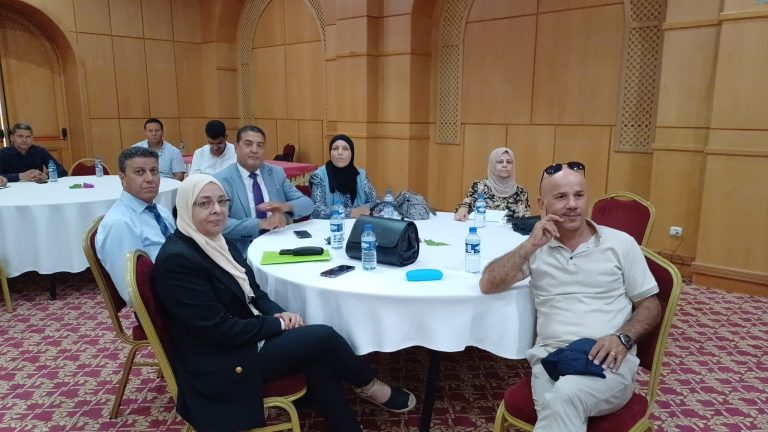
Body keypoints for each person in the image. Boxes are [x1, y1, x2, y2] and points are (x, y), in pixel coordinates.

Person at [151, 174, 416, 432]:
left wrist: (281, 315)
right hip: (220, 358)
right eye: (204, 203)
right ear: (185, 208)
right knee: (323, 337)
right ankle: (369, 386)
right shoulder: (178, 260)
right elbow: (217, 329)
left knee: (315, 353)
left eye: (222, 201)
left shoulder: (216, 242)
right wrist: (275, 325)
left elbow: (255, 293)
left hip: (242, 336)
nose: (217, 210)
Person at [479, 161, 661, 432]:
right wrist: (529, 245)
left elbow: (650, 305)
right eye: (561, 197)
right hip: (550, 360)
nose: (573, 204)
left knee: (565, 395)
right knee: (561, 406)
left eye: (579, 195)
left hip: (607, 359)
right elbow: (488, 284)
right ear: (542, 204)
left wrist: (623, 338)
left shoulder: (620, 244)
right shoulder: (537, 248)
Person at [214, 125, 313, 256]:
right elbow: (219, 223)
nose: (254, 150)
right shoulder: (221, 180)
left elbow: (308, 204)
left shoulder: (276, 173)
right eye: (248, 144)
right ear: (236, 148)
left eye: (260, 145)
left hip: (281, 245)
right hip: (244, 252)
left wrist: (286, 207)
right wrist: (261, 224)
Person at [96, 147, 175, 306]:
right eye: (139, 172)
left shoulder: (161, 211)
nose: (150, 179)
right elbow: (133, 294)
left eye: (154, 171)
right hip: (169, 302)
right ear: (123, 178)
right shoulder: (120, 224)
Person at [309, 134, 380, 219]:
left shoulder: (360, 175)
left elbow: (377, 203)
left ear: (352, 153)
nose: (340, 152)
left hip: (355, 224)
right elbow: (317, 211)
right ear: (330, 153)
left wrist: (362, 211)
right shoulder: (319, 176)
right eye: (335, 148)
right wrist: (351, 212)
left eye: (345, 149)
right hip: (327, 225)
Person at [454, 147, 530, 221]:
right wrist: (463, 209)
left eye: (509, 162)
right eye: (500, 162)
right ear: (492, 164)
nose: (505, 165)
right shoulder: (479, 187)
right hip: (483, 228)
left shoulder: (520, 192)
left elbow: (526, 219)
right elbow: (466, 204)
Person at [0, 122, 67, 182]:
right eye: (20, 136)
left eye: (28, 137)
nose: (24, 140)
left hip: (37, 188)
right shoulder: (3, 153)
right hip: (12, 189)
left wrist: (46, 175)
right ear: (12, 138)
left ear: (32, 138)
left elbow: (62, 171)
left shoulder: (40, 151)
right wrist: (20, 176)